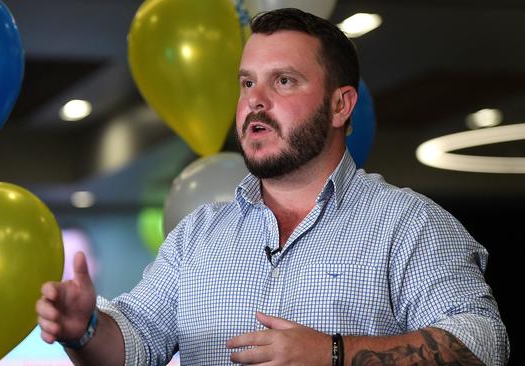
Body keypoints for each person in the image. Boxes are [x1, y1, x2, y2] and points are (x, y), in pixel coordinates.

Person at [36, 8, 509, 366]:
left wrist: (334, 353)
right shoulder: (198, 233)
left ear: (341, 105)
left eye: (283, 81)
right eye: (246, 83)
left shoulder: (409, 223)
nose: (255, 102)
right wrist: (84, 329)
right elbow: (137, 341)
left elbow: (484, 342)